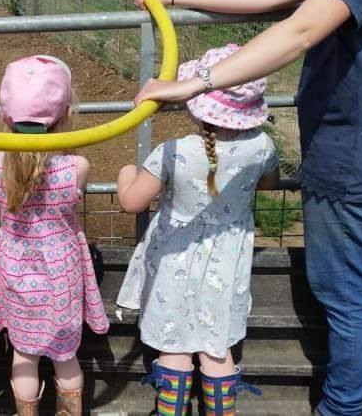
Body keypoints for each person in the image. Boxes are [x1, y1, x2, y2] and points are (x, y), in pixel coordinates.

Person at [131, 0, 362, 414]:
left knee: (348, 296)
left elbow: (298, 31)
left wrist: (195, 83)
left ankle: (344, 407)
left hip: (350, 155)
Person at [116, 45, 281, 415]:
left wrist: (127, 172)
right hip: (227, 264)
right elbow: (269, 184)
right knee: (216, 348)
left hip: (173, 261)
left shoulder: (173, 151)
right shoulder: (262, 146)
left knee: (174, 347)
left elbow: (132, 202)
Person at [0, 55, 110, 416]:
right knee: (65, 357)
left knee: (23, 357)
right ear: (67, 114)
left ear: (5, 115)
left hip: (15, 269)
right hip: (60, 275)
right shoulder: (77, 168)